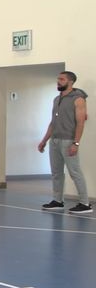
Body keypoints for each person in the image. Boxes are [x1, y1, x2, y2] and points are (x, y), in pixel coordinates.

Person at [38, 71, 90, 214]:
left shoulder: (78, 99)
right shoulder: (56, 99)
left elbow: (80, 123)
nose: (58, 81)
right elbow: (53, 123)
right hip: (54, 141)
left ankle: (85, 203)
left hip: (68, 141)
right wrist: (44, 140)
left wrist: (76, 143)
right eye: (58, 79)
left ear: (70, 82)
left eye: (61, 79)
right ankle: (58, 201)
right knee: (56, 173)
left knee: (75, 172)